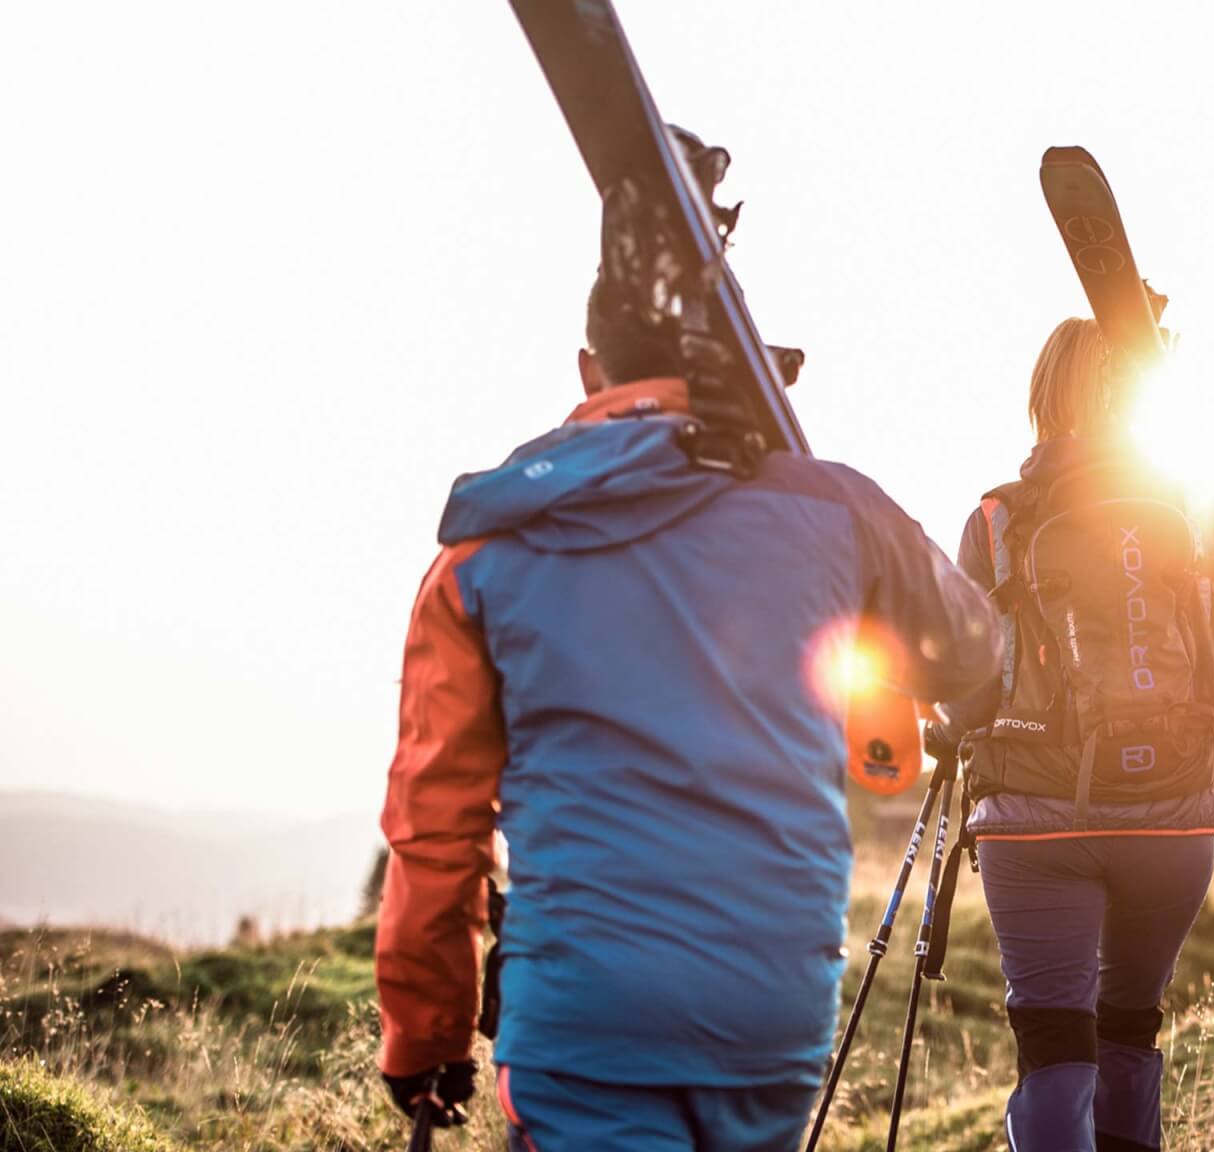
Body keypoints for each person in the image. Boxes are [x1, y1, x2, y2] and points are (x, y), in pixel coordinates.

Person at [373, 265, 1001, 1151]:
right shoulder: (839, 508)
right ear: (740, 362)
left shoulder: (484, 554)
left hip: (586, 1023)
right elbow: (977, 652)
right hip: (772, 1011)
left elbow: (436, 827)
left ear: (592, 371)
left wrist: (426, 1034)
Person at [946, 317, 1214, 1152]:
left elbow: (961, 674)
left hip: (1034, 820)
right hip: (1172, 817)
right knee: (1128, 1031)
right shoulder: (1190, 509)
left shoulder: (995, 522)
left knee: (1055, 1051)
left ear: (1044, 398)